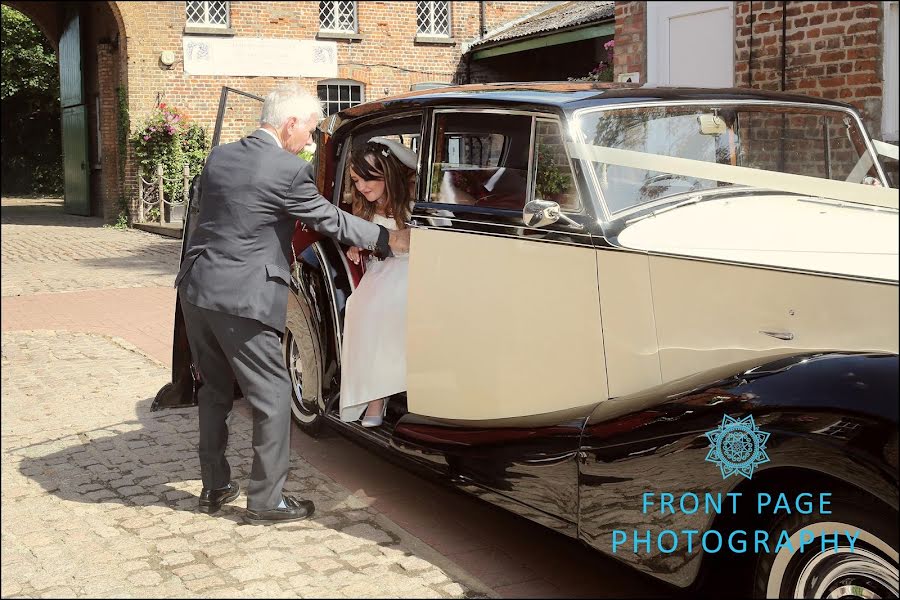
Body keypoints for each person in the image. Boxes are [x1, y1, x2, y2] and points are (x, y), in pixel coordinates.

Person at [174, 85, 410, 524]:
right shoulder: (286, 169)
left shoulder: (219, 156)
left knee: (215, 391)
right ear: (289, 124)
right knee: (273, 393)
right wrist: (386, 239)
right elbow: (328, 218)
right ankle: (266, 500)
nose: (309, 141)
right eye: (310, 131)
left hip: (197, 291)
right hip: (244, 298)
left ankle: (215, 486)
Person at [339, 138, 416, 427]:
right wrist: (355, 246)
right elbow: (361, 237)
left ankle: (387, 390)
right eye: (357, 180)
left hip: (416, 268)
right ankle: (374, 394)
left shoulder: (411, 202)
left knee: (394, 303)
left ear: (388, 174)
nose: (362, 187)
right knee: (359, 307)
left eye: (369, 179)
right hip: (382, 269)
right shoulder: (363, 207)